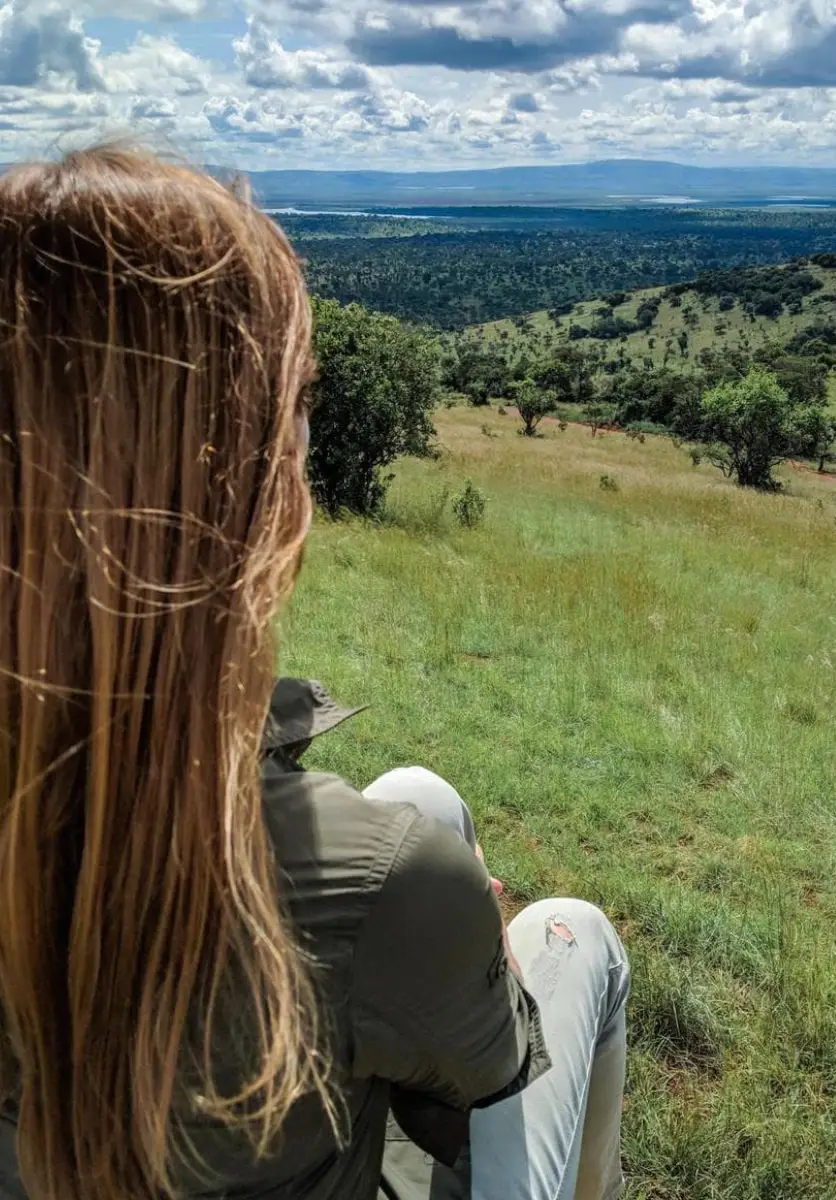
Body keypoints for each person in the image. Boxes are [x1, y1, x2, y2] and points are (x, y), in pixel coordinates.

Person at [0, 146, 630, 1200]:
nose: (303, 442)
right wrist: (466, 940)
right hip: (404, 980)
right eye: (290, 405)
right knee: (579, 940)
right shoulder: (377, 884)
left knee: (422, 796)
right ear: (231, 482)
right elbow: (482, 1077)